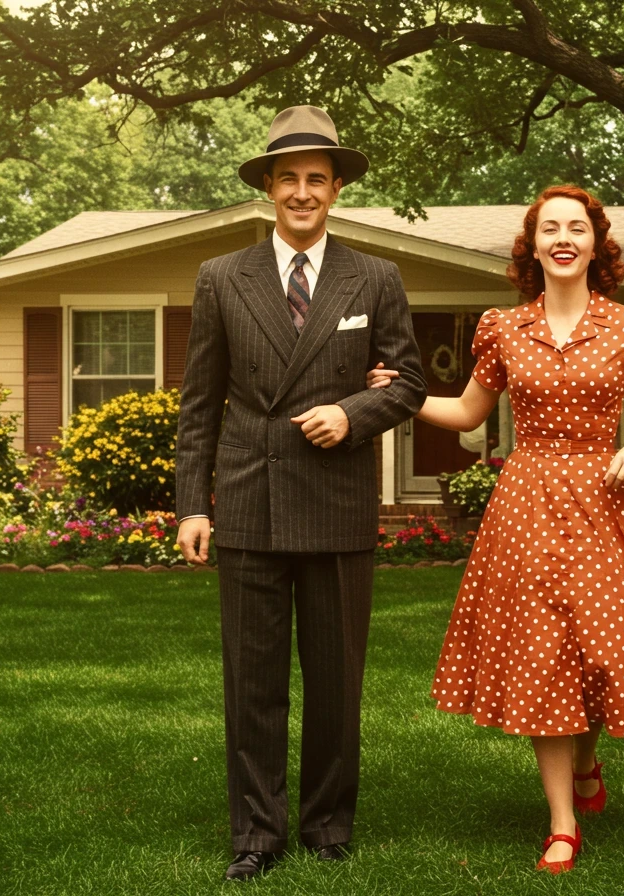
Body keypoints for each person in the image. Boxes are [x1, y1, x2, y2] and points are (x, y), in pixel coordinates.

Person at [368, 185, 624, 873]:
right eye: (550, 229)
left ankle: (588, 760)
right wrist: (404, 396)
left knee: (601, 648)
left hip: (605, 497)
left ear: (596, 243)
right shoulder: (503, 329)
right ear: (532, 245)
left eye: (577, 227)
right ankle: (562, 822)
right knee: (544, 653)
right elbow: (472, 413)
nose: (563, 238)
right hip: (529, 504)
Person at [175, 105, 427, 882]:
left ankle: (326, 824)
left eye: (317, 178)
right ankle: (256, 832)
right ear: (270, 189)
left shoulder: (375, 277)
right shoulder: (222, 278)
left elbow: (410, 383)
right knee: (251, 682)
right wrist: (192, 503)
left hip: (337, 500)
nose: (303, 192)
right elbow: (199, 401)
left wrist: (350, 413)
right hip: (250, 496)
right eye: (289, 179)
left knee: (334, 681)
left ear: (337, 188)